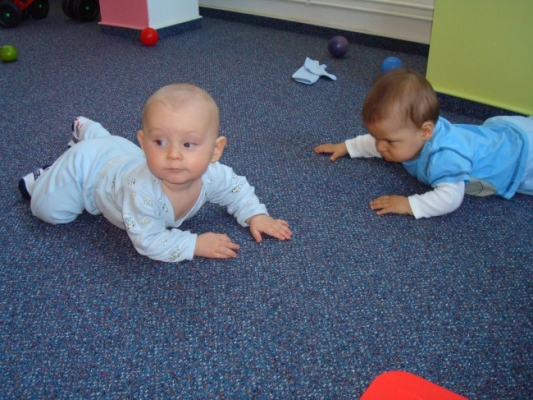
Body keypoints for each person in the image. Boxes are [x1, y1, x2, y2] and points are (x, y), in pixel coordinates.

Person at [19, 83, 292, 261]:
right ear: (143, 141)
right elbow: (148, 241)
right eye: (160, 142)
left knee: (112, 148)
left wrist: (255, 214)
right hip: (88, 171)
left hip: (120, 154)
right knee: (46, 210)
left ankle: (88, 129)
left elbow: (236, 189)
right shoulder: (141, 192)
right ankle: (53, 172)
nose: (173, 155)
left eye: (188, 144)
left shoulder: (212, 174)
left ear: (215, 150)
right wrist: (195, 244)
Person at [314, 69, 533, 219]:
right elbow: (380, 141)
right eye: (377, 137)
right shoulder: (409, 135)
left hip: (519, 155)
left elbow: (450, 198)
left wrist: (409, 205)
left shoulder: (444, 157)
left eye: (389, 141)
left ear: (425, 132)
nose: (380, 146)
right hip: (501, 133)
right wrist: (347, 147)